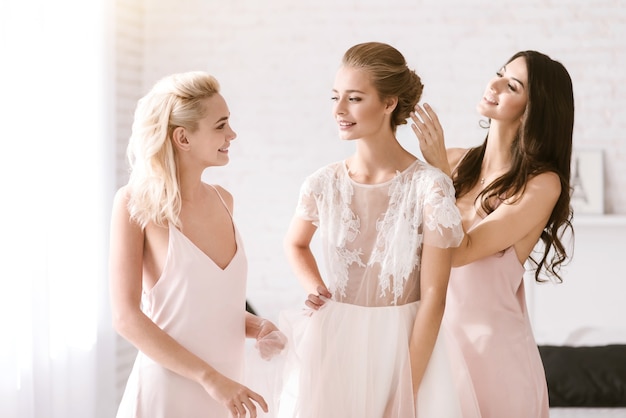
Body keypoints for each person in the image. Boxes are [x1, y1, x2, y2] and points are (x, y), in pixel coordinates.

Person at [278, 42, 481, 418]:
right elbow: (295, 244)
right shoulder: (322, 183)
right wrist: (317, 290)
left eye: (354, 98)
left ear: (389, 103)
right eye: (335, 97)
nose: (339, 110)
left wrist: (405, 395)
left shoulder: (429, 187)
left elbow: (434, 297)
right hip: (334, 346)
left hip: (406, 348)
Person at [109, 71, 285, 418]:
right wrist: (210, 378)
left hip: (228, 393)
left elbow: (208, 307)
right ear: (183, 138)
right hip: (170, 392)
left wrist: (256, 326)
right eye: (221, 125)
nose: (231, 134)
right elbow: (126, 318)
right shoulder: (134, 204)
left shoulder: (224, 200)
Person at [410, 50, 575, 418]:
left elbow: (458, 250)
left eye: (512, 85)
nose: (494, 84)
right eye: (499, 73)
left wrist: (437, 170)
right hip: (435, 348)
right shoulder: (453, 160)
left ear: (534, 110)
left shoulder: (541, 184)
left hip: (494, 358)